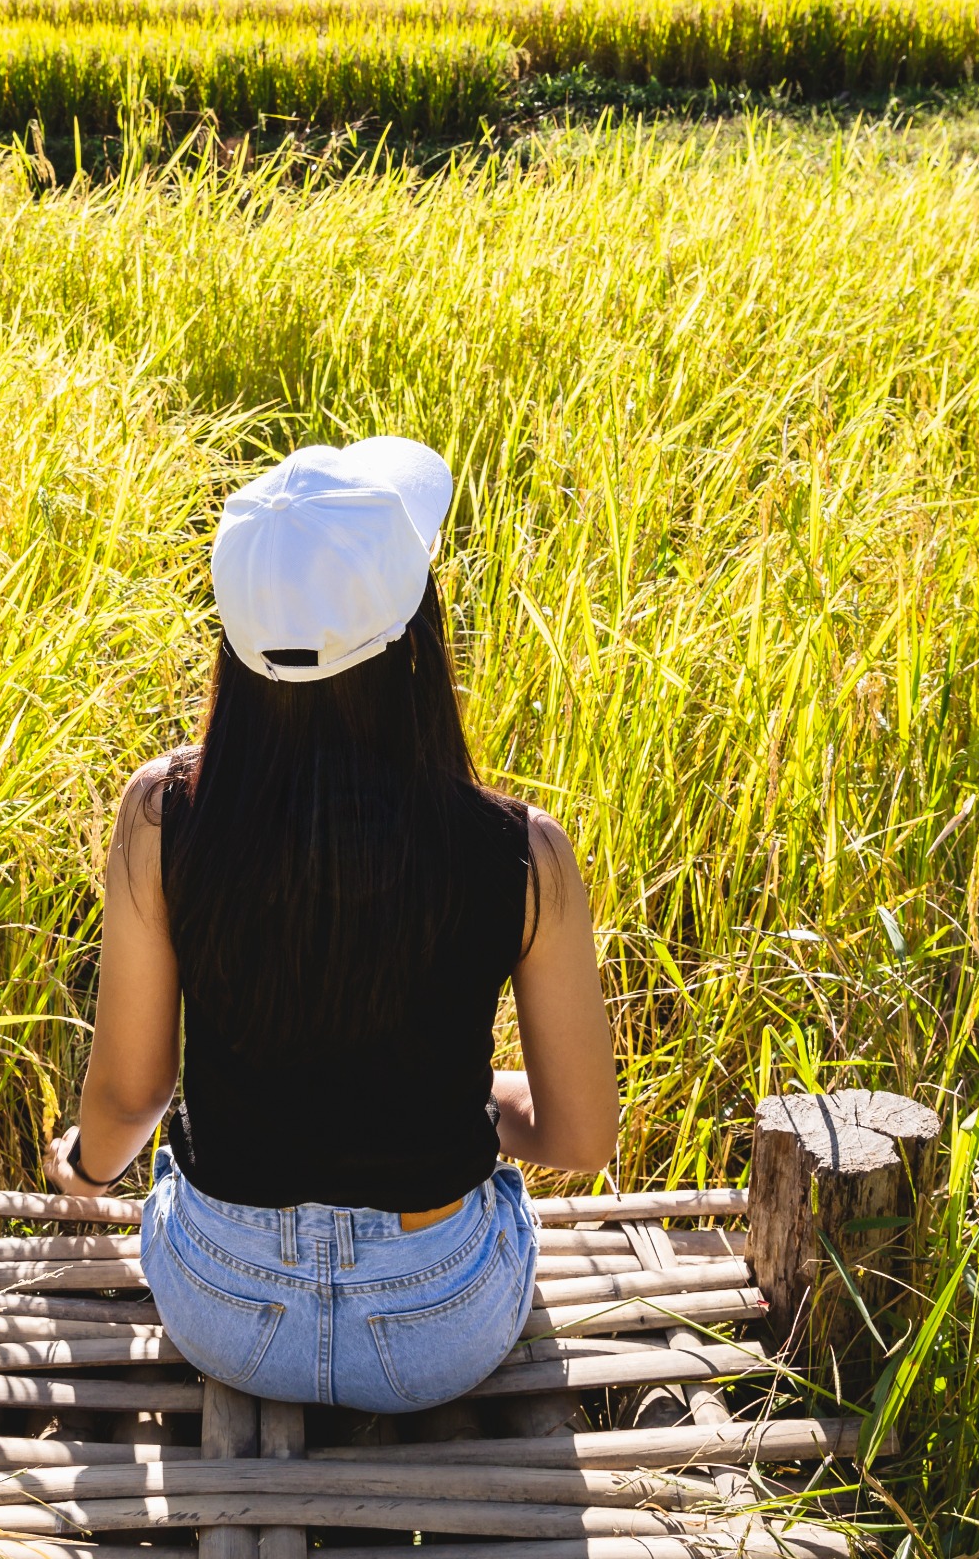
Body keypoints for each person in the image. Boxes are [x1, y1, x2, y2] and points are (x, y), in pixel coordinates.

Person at [45, 436, 619, 1413]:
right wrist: (477, 1101)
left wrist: (84, 1167)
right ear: (417, 635)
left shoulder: (165, 814)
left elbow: (133, 1092)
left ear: (234, 639)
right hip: (442, 1324)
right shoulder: (521, 850)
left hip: (223, 1309)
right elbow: (581, 1135)